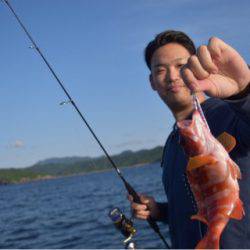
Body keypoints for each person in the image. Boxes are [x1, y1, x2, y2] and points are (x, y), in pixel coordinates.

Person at [128, 30, 250, 249]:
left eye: (180, 66)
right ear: (152, 82)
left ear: (196, 69)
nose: (172, 76)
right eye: (161, 70)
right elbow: (197, 207)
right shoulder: (174, 143)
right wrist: (161, 211)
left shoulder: (230, 112)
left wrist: (244, 92)